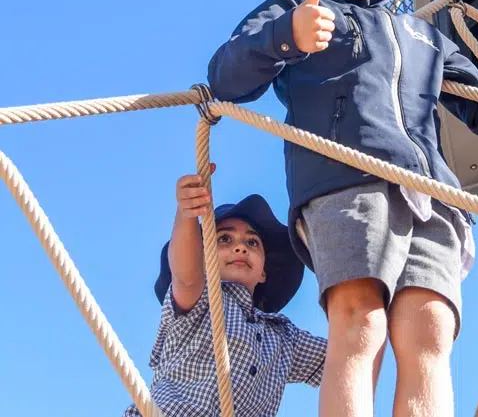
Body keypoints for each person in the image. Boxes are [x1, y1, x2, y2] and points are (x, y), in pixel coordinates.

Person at [207, 0, 478, 417]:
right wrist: (287, 36)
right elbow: (226, 78)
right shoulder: (299, 9)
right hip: (344, 181)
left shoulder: (425, 37)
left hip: (431, 194)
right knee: (359, 317)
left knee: (430, 330)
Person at [123, 166, 326, 417]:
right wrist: (187, 213)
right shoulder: (201, 299)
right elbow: (186, 277)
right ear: (203, 258)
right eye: (224, 239)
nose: (240, 248)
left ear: (264, 271)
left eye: (252, 242)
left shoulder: (284, 337)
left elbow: (337, 357)